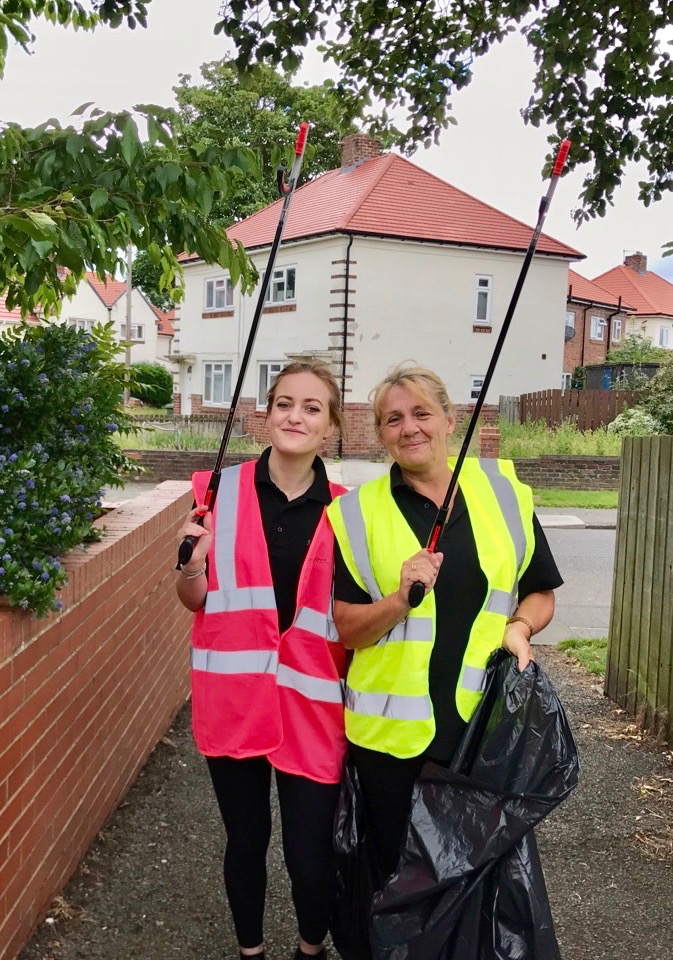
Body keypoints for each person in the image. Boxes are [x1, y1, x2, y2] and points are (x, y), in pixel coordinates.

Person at [326, 363, 563, 887]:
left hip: (479, 730)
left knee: (475, 881)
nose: (409, 428)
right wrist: (398, 600)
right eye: (393, 419)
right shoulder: (356, 514)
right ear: (381, 433)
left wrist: (519, 627)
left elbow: (540, 590)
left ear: (451, 419)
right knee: (397, 880)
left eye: (421, 413)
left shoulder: (502, 491)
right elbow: (345, 629)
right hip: (391, 742)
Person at [176, 361, 348, 960]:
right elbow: (194, 600)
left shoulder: (351, 511)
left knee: (309, 852)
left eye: (311, 407)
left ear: (330, 426)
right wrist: (193, 563)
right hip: (234, 703)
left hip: (313, 708)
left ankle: (310, 949)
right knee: (246, 842)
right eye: (285, 403)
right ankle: (250, 952)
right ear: (266, 413)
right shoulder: (217, 490)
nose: (295, 416)